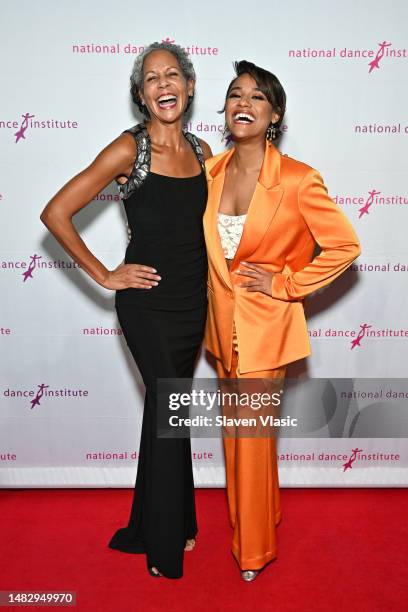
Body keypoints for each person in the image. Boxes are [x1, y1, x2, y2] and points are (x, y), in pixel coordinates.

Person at [40, 41, 212, 579]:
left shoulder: (206, 153)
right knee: (170, 411)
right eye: (152, 78)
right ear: (141, 95)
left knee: (170, 413)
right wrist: (105, 273)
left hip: (192, 304)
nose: (164, 84)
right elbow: (56, 212)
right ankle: (163, 549)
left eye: (173, 75)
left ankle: (161, 523)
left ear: (188, 85)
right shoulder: (129, 150)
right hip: (146, 305)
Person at [203, 60, 361, 581]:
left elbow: (344, 246)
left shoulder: (296, 179)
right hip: (220, 330)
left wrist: (284, 284)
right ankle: (260, 523)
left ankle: (252, 553)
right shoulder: (210, 173)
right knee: (243, 441)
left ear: (275, 115)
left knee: (248, 442)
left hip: (265, 331)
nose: (243, 104)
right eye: (235, 95)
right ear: (224, 109)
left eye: (257, 97)